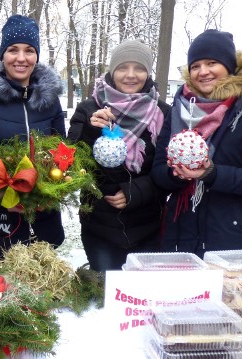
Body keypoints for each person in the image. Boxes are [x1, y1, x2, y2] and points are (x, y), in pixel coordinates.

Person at [152, 29, 242, 257]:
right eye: (195, 66)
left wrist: (211, 173)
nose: (203, 72)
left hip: (236, 241)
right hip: (181, 238)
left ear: (229, 66)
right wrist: (176, 174)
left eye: (212, 63)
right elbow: (158, 172)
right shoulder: (179, 110)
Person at [0, 15, 65, 262]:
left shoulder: (50, 100)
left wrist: (52, 186)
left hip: (42, 217)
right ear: (2, 55)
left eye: (29, 50)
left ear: (37, 56)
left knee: (40, 291)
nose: (21, 58)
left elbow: (62, 152)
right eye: (13, 50)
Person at [67, 39, 170, 271]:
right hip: (100, 227)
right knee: (105, 296)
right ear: (113, 72)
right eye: (123, 67)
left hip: (148, 227)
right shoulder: (88, 109)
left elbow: (169, 172)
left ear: (148, 72)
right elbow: (71, 164)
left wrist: (136, 192)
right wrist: (92, 131)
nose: (131, 75)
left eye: (139, 68)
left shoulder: (163, 113)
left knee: (142, 298)